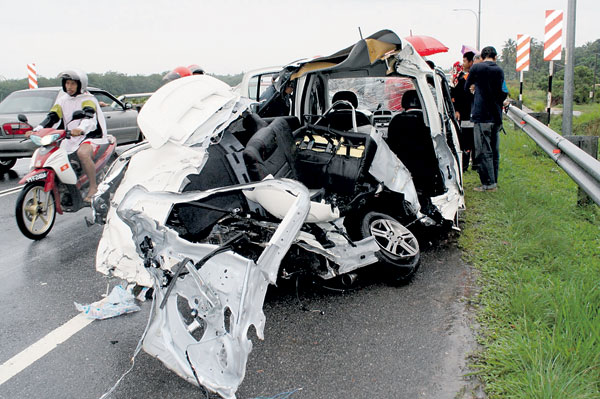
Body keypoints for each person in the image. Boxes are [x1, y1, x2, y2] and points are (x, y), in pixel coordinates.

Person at [31, 69, 108, 202]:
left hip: (91, 136)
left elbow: (89, 116)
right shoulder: (62, 100)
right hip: (69, 136)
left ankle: (93, 187)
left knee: (83, 154)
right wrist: (38, 128)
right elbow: (53, 116)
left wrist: (80, 128)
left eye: (73, 84)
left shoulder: (87, 99)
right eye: (67, 83)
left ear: (80, 85)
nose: (69, 87)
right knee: (54, 154)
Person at [464, 46, 508, 192]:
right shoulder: (499, 70)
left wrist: (474, 89)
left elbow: (466, 87)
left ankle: (488, 184)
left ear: (482, 57)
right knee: (494, 151)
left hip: (481, 115)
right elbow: (503, 94)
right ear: (495, 57)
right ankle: (494, 180)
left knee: (483, 150)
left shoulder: (477, 68)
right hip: (496, 116)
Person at [451, 51, 476, 172]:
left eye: (465, 61)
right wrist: (457, 109)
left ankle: (467, 164)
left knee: (468, 139)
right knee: (468, 138)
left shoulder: (468, 79)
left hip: (469, 113)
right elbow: (455, 94)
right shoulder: (463, 78)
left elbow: (456, 94)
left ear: (471, 62)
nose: (463, 63)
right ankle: (468, 164)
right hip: (467, 114)